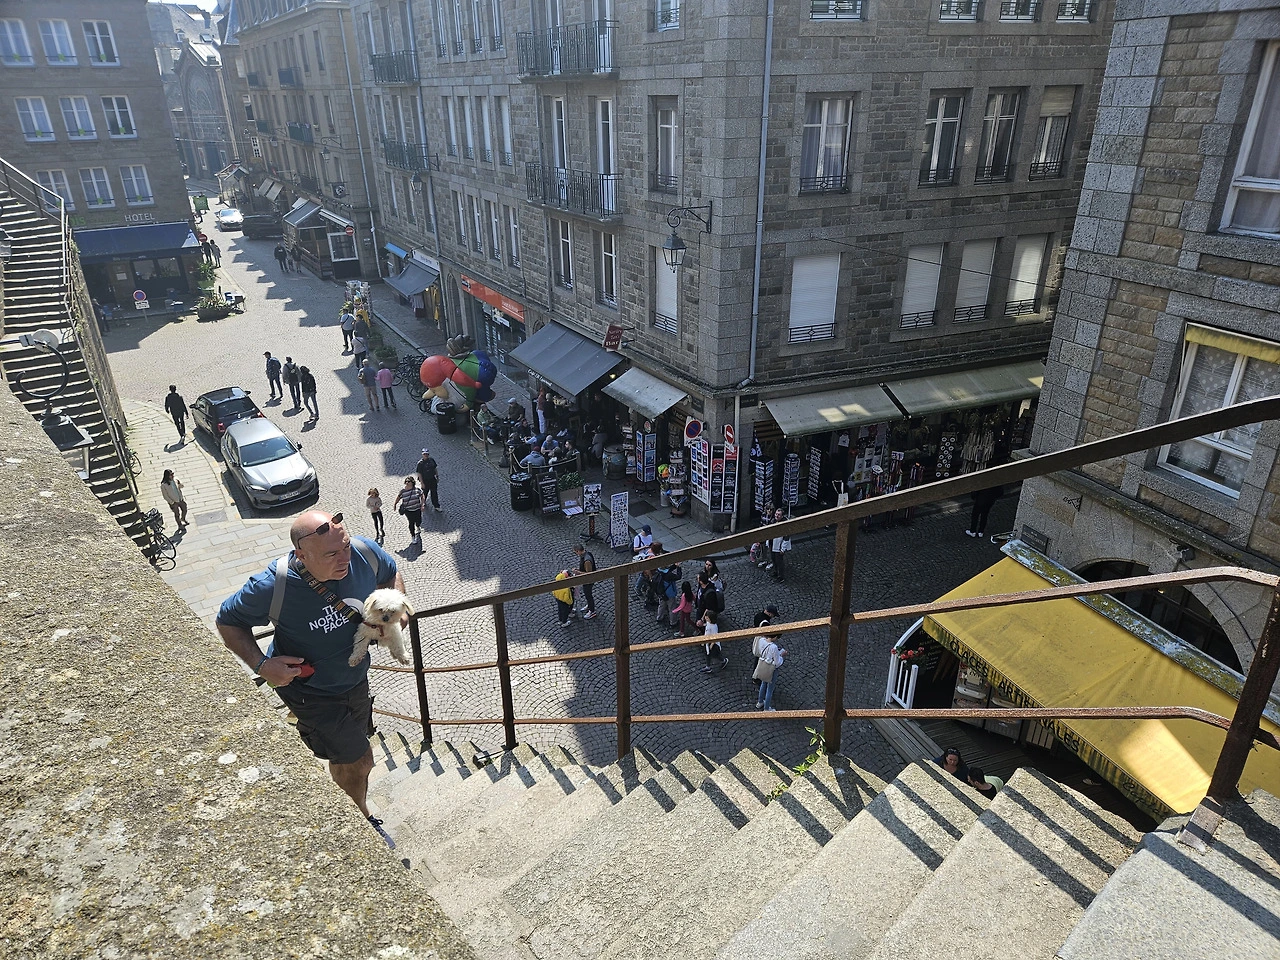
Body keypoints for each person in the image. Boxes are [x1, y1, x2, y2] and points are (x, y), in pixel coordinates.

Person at [215, 510, 404, 848]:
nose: (345, 559)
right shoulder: (274, 585)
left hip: (355, 678)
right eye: (331, 554)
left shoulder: (365, 552)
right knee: (361, 758)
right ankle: (361, 823)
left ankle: (346, 800)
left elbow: (391, 575)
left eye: (345, 547)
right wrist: (261, 665)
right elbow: (227, 621)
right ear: (301, 555)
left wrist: (395, 620)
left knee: (349, 754)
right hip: (310, 690)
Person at [754, 635, 786, 711]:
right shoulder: (773, 647)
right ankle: (767, 708)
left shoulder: (761, 640)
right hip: (771, 669)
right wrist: (781, 655)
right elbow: (777, 663)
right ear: (775, 636)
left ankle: (760, 702)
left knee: (763, 684)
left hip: (763, 665)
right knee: (770, 689)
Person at [393, 476, 424, 543]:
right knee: (411, 522)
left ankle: (418, 526)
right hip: (408, 510)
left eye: (408, 481)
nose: (407, 483)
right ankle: (413, 536)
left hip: (417, 509)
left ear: (412, 482)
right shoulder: (403, 491)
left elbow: (422, 496)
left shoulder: (417, 489)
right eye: (406, 481)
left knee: (418, 520)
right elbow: (398, 497)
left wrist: (422, 504)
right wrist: (395, 504)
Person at [572, 543, 598, 619]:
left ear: (578, 551)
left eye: (575, 552)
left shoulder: (587, 561)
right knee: (587, 594)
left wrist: (577, 572)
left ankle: (592, 611)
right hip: (586, 580)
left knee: (588, 595)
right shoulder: (586, 554)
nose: (576, 554)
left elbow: (589, 574)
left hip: (588, 581)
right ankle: (589, 606)